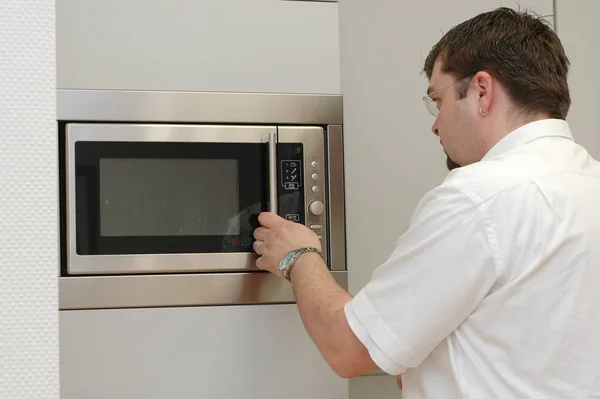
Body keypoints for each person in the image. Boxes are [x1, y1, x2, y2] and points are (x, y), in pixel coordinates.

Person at [252, 7, 600, 398]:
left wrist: (298, 255)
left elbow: (347, 349)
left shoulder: (477, 197)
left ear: (482, 91)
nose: (436, 124)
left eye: (439, 100)